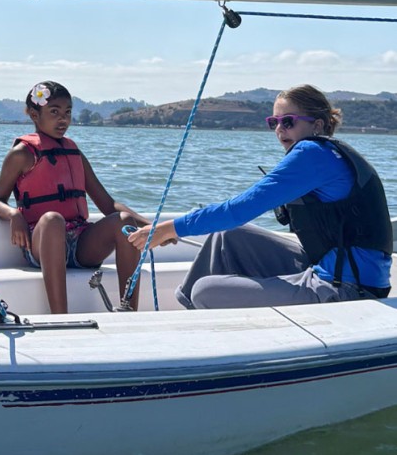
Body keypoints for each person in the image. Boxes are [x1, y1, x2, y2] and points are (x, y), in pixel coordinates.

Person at [128, 84, 392, 309]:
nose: (279, 129)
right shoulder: (327, 154)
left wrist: (169, 229)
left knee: (205, 291)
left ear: (318, 124)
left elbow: (238, 210)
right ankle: (194, 317)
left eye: (288, 121)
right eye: (273, 122)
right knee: (227, 237)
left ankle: (202, 327)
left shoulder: (312, 154)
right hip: (329, 268)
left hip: (346, 288)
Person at [0, 81, 149, 313]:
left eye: (67, 112)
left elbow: (108, 204)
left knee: (123, 220)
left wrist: (152, 227)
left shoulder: (74, 153)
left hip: (79, 242)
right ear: (34, 114)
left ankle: (129, 310)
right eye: (54, 112)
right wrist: (14, 214)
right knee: (53, 219)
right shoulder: (22, 154)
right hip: (42, 241)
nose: (63, 119)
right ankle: (60, 317)